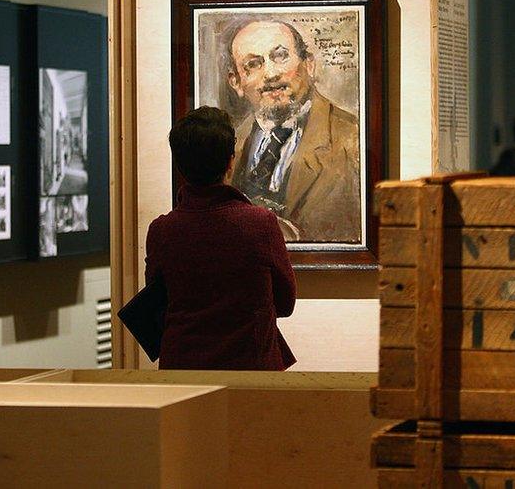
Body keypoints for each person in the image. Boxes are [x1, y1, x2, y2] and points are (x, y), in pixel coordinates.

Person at [146, 106, 297, 370]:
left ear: (179, 166)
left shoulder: (162, 230)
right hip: (251, 372)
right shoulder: (260, 224)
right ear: (230, 161)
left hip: (183, 375)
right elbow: (284, 303)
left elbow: (158, 305)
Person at [225, 19, 360, 243]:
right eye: (253, 64)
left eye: (280, 56)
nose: (270, 74)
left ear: (309, 64)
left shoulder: (352, 138)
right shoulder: (228, 143)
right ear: (236, 82)